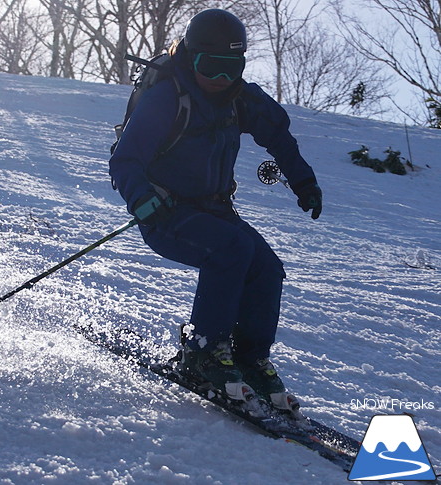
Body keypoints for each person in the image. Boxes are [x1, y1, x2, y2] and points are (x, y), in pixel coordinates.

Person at [109, 9, 322, 409]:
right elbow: (124, 161)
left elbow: (278, 134)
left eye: (232, 68)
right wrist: (142, 200)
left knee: (267, 267)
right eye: (212, 67)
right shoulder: (166, 97)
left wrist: (304, 181)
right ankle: (202, 353)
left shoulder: (239, 97)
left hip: (215, 210)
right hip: (165, 211)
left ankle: (249, 357)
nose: (221, 79)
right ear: (191, 58)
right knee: (231, 251)